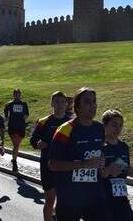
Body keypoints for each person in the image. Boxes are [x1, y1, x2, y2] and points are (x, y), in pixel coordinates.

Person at [48, 87, 108, 221]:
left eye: (94, 101)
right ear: (77, 107)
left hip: (94, 195)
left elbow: (99, 153)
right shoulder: (65, 129)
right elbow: (52, 164)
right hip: (70, 197)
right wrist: (83, 164)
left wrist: (101, 162)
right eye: (87, 102)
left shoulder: (99, 128)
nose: (92, 105)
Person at [30, 91, 71, 221]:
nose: (59, 104)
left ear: (66, 104)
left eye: (62, 102)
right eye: (57, 101)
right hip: (48, 166)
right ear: (52, 103)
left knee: (64, 200)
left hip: (66, 167)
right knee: (49, 199)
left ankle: (56, 215)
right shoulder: (43, 122)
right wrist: (38, 144)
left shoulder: (72, 123)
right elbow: (33, 140)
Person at [101, 109, 133, 221]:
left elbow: (126, 168)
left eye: (120, 125)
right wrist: (108, 170)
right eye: (114, 125)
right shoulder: (100, 147)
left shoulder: (124, 146)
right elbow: (98, 174)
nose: (118, 128)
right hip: (104, 196)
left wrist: (129, 171)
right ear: (104, 125)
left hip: (120, 195)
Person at [4, 89, 29, 172]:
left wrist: (23, 118)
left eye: (18, 94)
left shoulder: (24, 104)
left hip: (21, 127)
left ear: (20, 95)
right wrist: (7, 117)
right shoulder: (9, 104)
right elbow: (5, 111)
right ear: (13, 95)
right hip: (12, 127)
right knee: (16, 145)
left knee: (17, 145)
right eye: (15, 94)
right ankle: (14, 162)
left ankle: (14, 157)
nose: (17, 96)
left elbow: (26, 114)